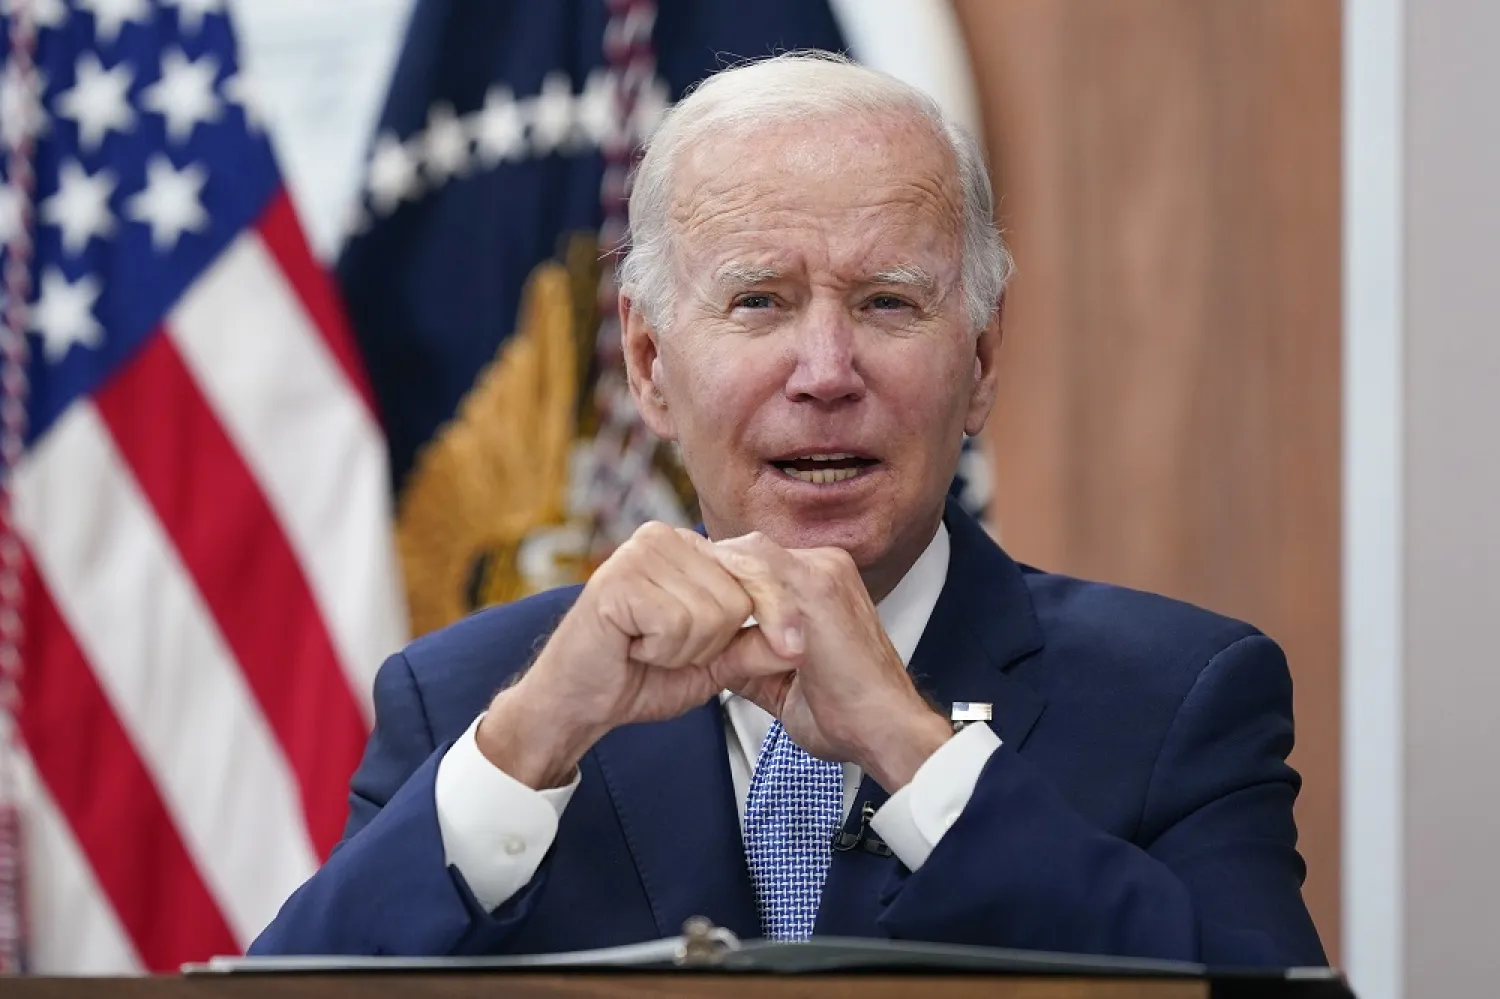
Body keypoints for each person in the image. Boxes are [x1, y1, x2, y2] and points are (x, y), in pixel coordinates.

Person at [251, 51, 1326, 966]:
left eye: (887, 303)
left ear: (984, 360)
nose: (824, 371)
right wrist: (528, 751)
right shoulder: (470, 707)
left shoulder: (1182, 698)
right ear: (649, 365)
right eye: (759, 301)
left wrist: (921, 759)